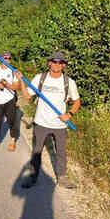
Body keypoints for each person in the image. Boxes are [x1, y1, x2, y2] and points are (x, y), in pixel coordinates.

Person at [17, 51, 81, 189]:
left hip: (60, 125)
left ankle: (62, 177)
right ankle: (33, 177)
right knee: (37, 151)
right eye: (55, 61)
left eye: (61, 62)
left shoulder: (69, 82)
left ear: (64, 65)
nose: (57, 64)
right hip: (41, 123)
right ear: (49, 62)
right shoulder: (40, 78)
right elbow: (27, 96)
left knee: (61, 152)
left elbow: (76, 102)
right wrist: (21, 81)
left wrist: (69, 114)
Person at [0, 51, 20, 151]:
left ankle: (13, 140)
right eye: (5, 58)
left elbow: (16, 86)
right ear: (0, 58)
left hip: (9, 99)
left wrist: (6, 85)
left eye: (9, 58)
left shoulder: (13, 71)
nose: (7, 60)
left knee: (11, 121)